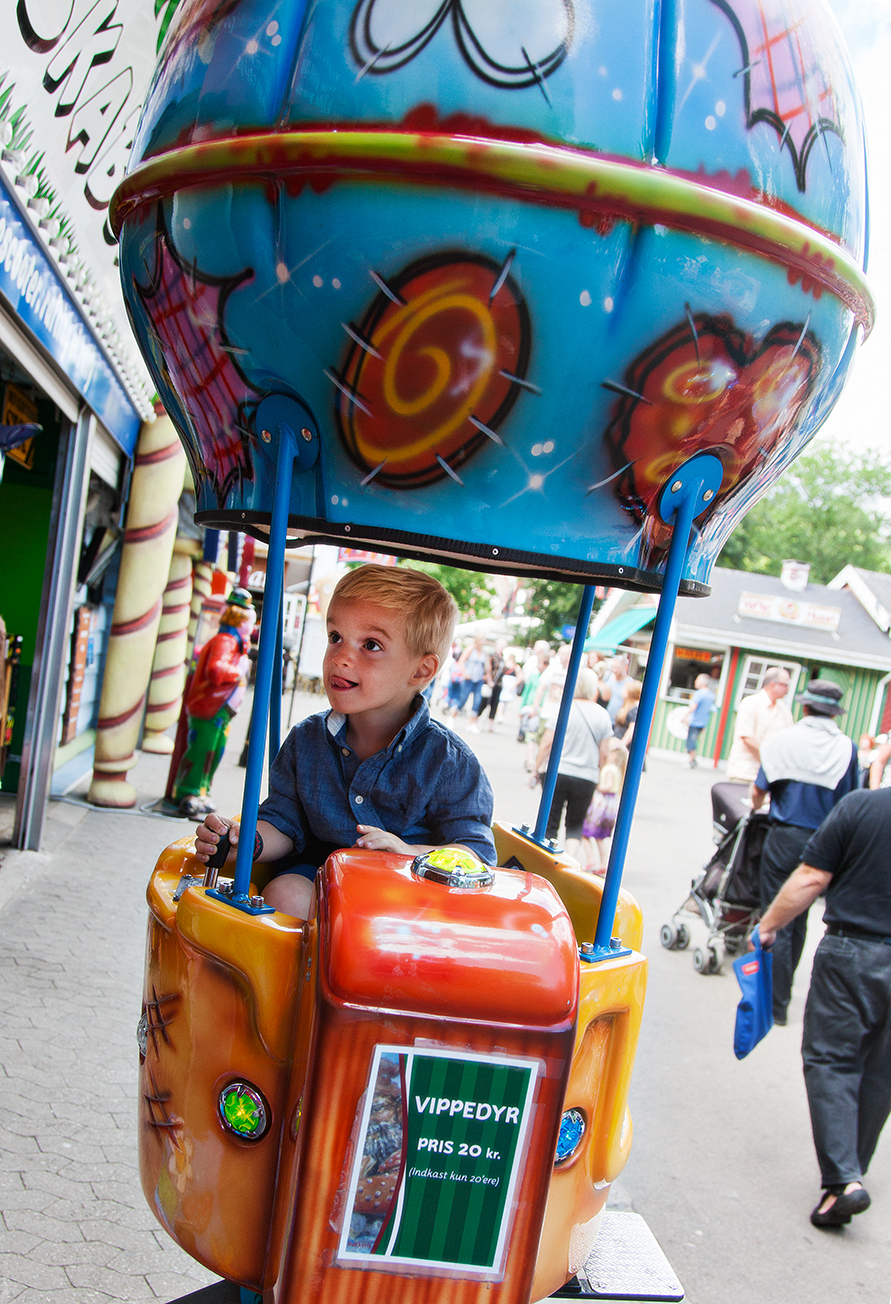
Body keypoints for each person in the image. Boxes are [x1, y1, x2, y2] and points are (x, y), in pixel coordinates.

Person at [194, 565, 495, 919]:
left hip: (407, 899)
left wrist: (407, 852)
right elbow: (284, 821)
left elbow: (476, 854)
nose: (341, 657)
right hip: (320, 879)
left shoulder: (448, 761)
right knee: (284, 894)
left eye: (371, 645)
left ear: (420, 671)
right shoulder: (307, 739)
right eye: (335, 636)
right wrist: (244, 842)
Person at [756, 784, 891, 1229]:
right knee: (882, 1070)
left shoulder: (862, 806)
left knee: (831, 1060)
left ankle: (844, 1179)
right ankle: (848, 1174)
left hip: (853, 952)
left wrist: (770, 924)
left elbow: (812, 877)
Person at [750, 680, 859, 1025]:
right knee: (800, 919)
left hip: (784, 836)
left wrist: (756, 808)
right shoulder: (846, 748)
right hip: (827, 842)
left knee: (776, 914)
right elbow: (850, 800)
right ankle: (783, 990)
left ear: (805, 706)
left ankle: (774, 1002)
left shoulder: (783, 740)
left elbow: (759, 790)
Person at [172, 588, 256, 818]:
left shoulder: (234, 642)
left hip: (222, 711)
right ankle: (188, 791)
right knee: (202, 751)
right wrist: (239, 672)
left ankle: (202, 790)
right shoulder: (226, 641)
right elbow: (216, 671)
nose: (251, 627)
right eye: (249, 621)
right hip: (209, 709)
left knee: (214, 753)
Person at [539, 668, 613, 861]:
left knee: (550, 821)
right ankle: (568, 860)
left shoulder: (562, 708)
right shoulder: (602, 715)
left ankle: (547, 860)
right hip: (587, 776)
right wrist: (599, 773)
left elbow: (547, 741)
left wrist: (537, 765)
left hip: (558, 771)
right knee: (575, 824)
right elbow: (604, 753)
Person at [725, 667, 793, 783]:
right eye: (785, 685)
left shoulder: (784, 709)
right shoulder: (751, 703)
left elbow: (789, 737)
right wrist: (769, 757)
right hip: (745, 772)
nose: (787, 689)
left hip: (771, 776)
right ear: (773, 685)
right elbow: (746, 737)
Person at [581, 738, 628, 872]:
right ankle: (603, 863)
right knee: (599, 837)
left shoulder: (608, 769)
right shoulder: (618, 770)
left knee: (585, 832)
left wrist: (597, 786)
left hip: (601, 806)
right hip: (610, 806)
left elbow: (607, 785)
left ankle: (591, 859)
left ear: (612, 756)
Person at [450, 634, 487, 730]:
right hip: (468, 679)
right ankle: (452, 718)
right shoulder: (471, 649)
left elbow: (487, 666)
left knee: (477, 702)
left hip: (478, 680)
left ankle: (471, 724)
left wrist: (487, 676)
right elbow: (461, 661)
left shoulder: (483, 652)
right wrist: (465, 673)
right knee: (463, 700)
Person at [683, 673, 716, 767]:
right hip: (703, 722)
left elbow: (694, 707)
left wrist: (685, 716)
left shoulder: (700, 694)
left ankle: (691, 761)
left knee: (690, 742)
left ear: (703, 682)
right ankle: (693, 759)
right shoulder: (710, 695)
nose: (695, 682)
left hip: (695, 721)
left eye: (697, 680)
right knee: (693, 741)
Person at [485, 638, 508, 732]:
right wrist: (489, 680)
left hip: (498, 684)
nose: (502, 648)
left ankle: (490, 724)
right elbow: (488, 669)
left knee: (495, 704)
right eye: (501, 646)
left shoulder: (502, 657)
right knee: (485, 702)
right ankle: (475, 720)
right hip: (491, 682)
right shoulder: (492, 656)